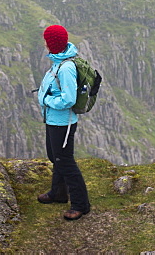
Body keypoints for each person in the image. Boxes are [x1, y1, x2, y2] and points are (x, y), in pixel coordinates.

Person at [36, 24, 91, 220]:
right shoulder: (58, 62)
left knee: (65, 161)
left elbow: (68, 99)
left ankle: (80, 204)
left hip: (62, 123)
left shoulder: (66, 68)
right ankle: (57, 193)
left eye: (47, 40)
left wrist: (46, 100)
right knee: (55, 157)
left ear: (53, 43)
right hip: (53, 120)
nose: (44, 43)